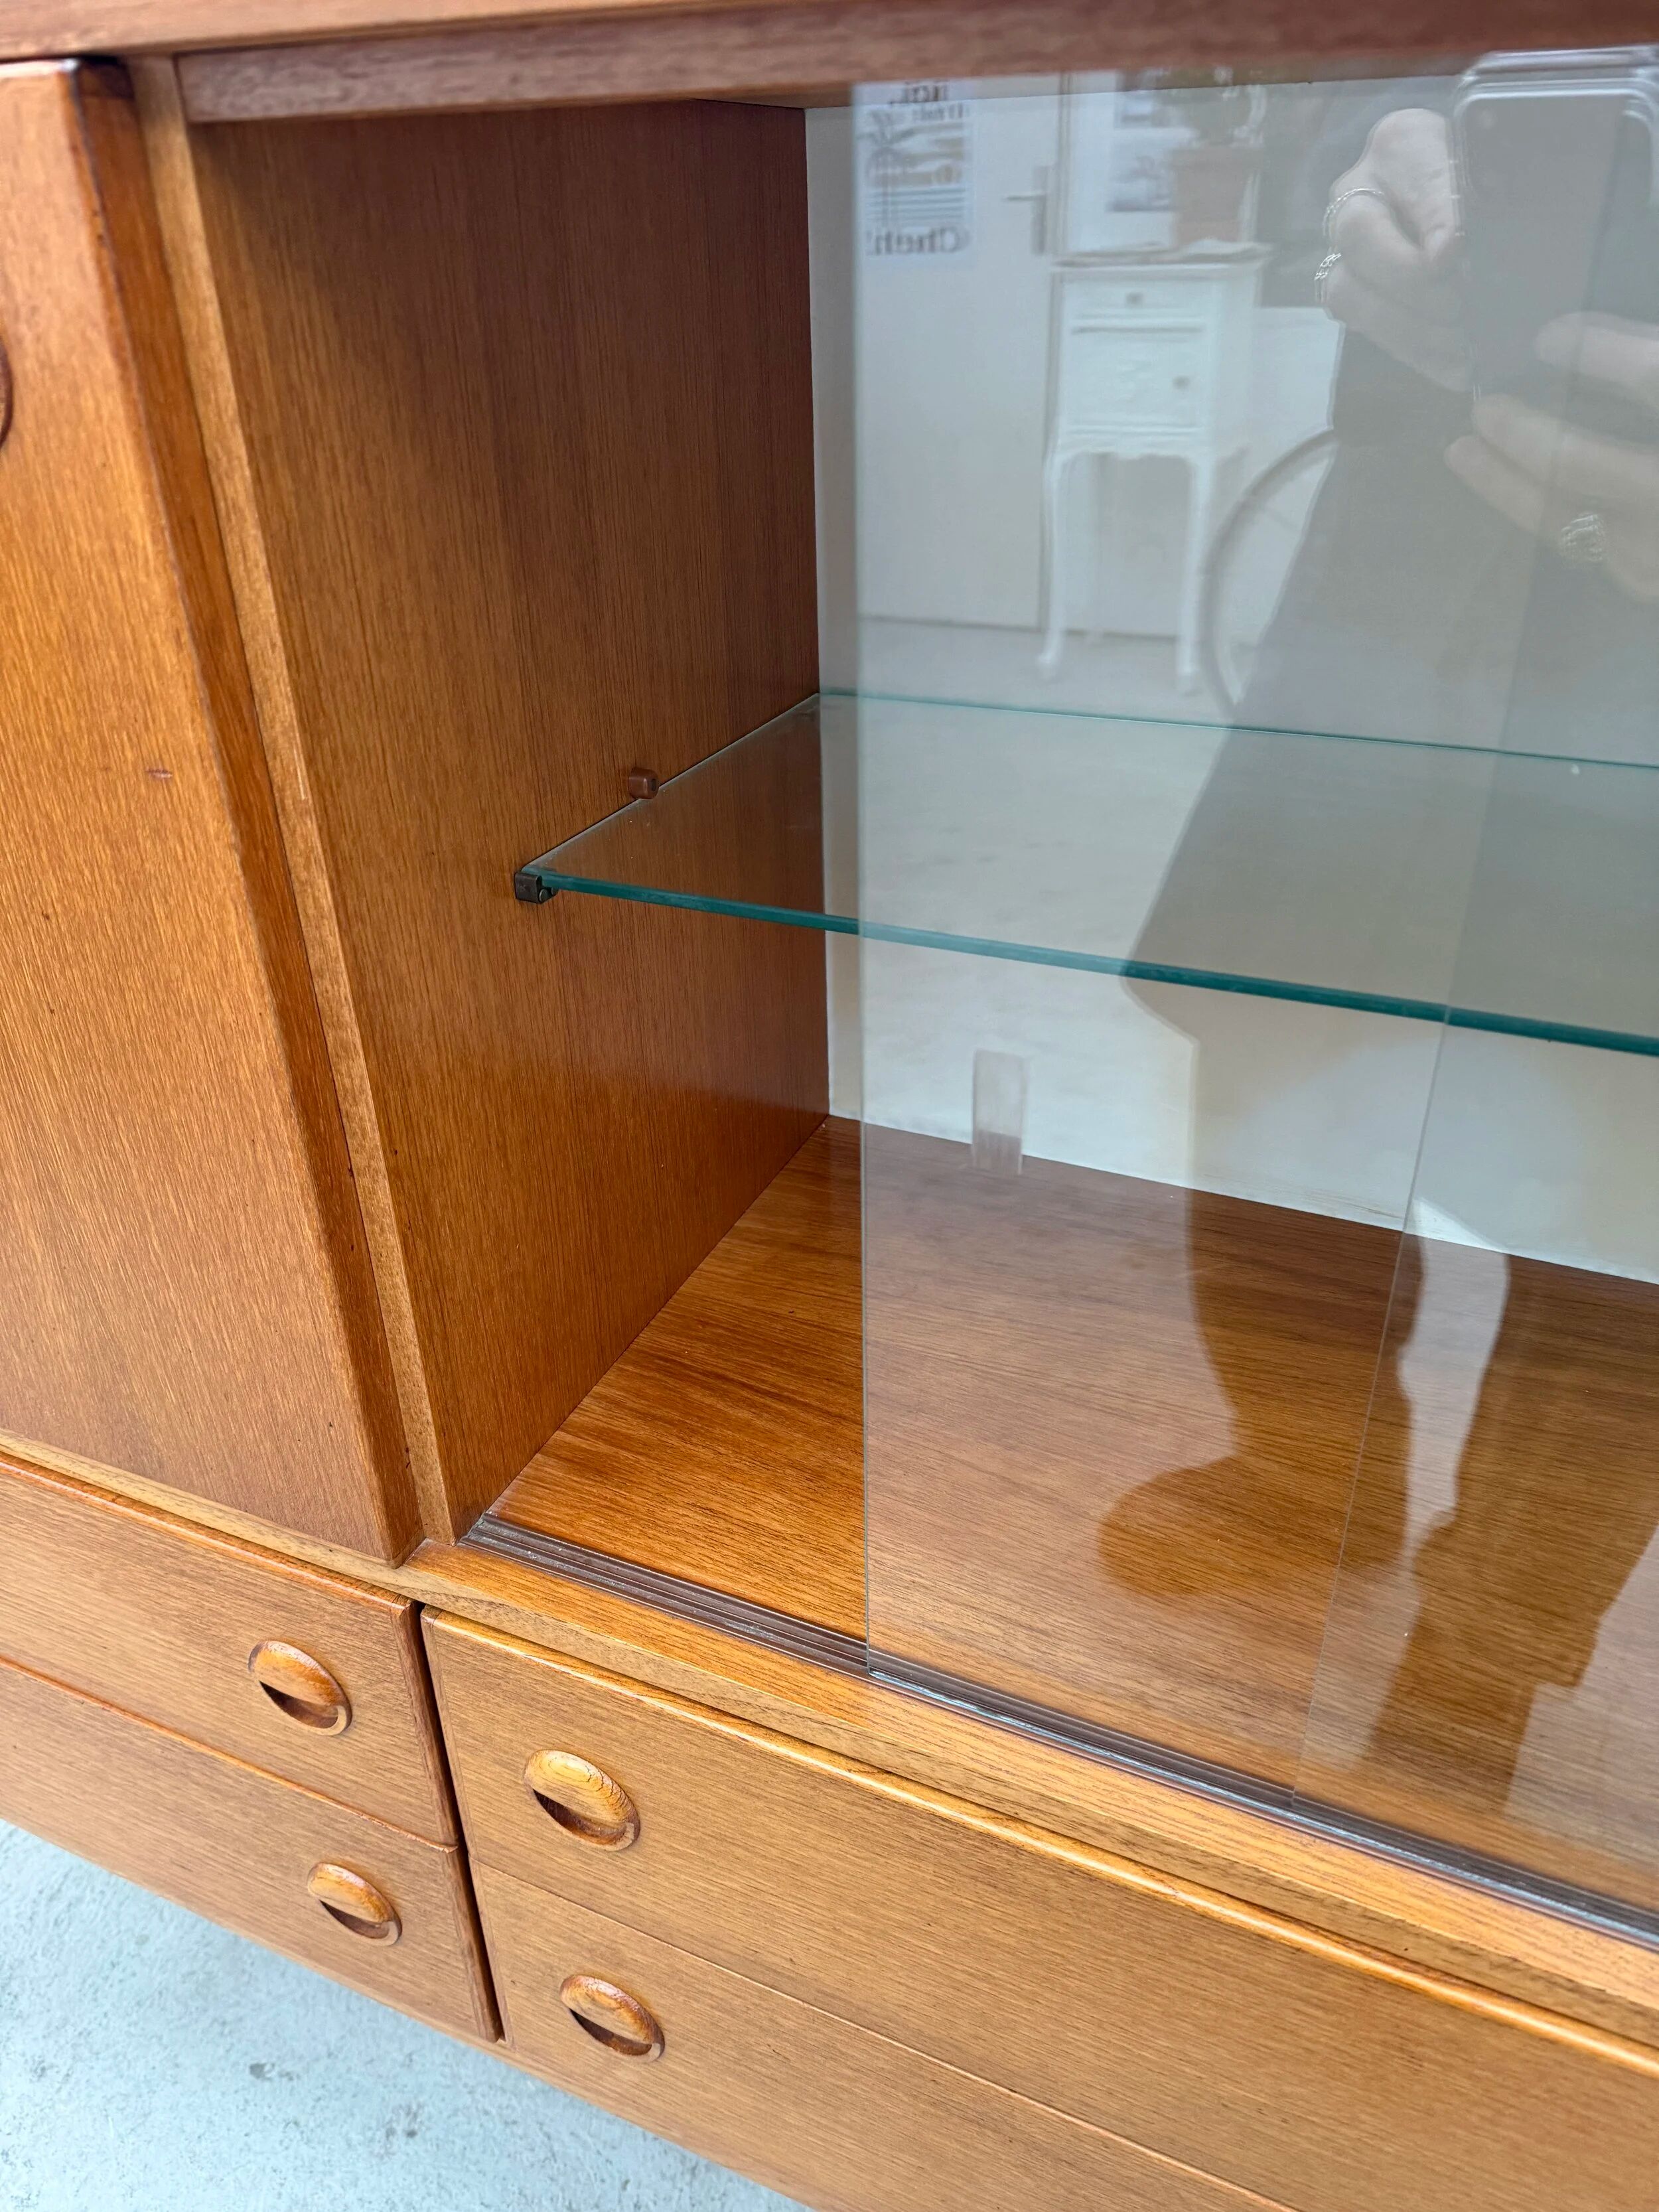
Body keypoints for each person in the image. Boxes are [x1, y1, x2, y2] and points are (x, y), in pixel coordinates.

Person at [1099, 80, 1659, 1816]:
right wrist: (1364, 145)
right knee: (1269, 1033)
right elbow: (1303, 95)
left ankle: (1481, 1651)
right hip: (1405, 505)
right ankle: (1305, 1473)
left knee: (1625, 1157)